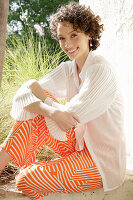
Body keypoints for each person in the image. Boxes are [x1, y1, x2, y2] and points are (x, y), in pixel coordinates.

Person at [0, 2, 126, 199]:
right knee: (39, 107)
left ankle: (31, 169)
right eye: (62, 38)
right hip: (76, 145)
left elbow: (70, 118)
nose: (67, 45)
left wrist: (46, 103)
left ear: (89, 34)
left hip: (100, 162)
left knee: (25, 180)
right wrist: (49, 109)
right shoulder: (68, 69)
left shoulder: (101, 71)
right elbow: (23, 94)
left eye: (74, 35)